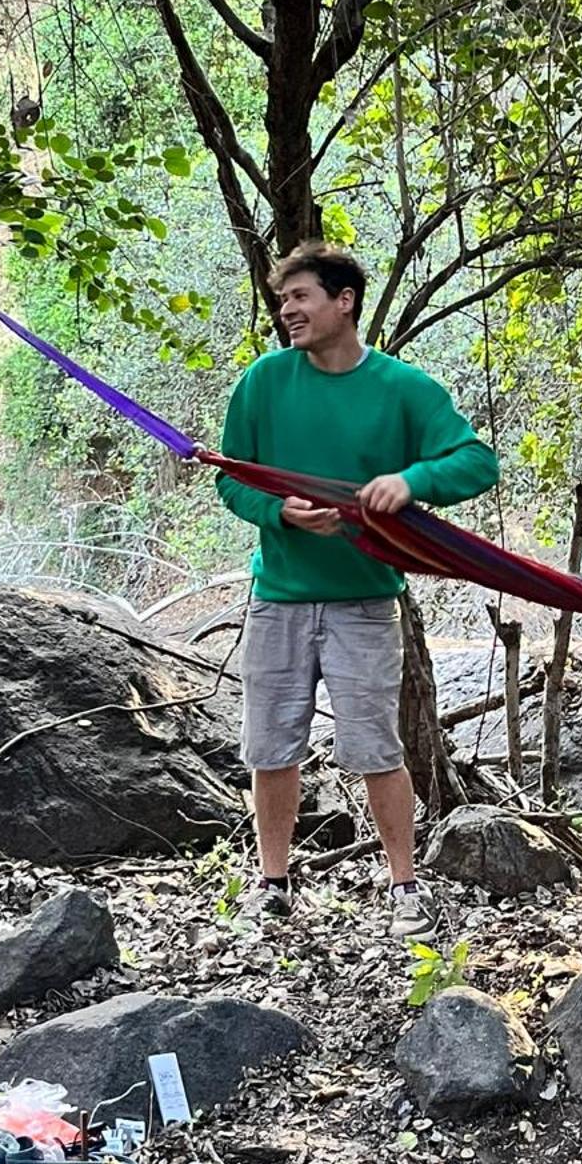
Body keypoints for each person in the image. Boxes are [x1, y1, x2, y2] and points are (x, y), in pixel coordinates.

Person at [208, 241, 499, 937]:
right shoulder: (263, 383)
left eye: (301, 297)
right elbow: (230, 477)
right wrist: (278, 512)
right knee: (270, 748)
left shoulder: (402, 389)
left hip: (366, 601)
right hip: (279, 594)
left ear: (345, 302)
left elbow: (475, 461)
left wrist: (411, 481)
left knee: (374, 748)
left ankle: (404, 889)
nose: (289, 312)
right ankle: (273, 883)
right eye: (283, 302)